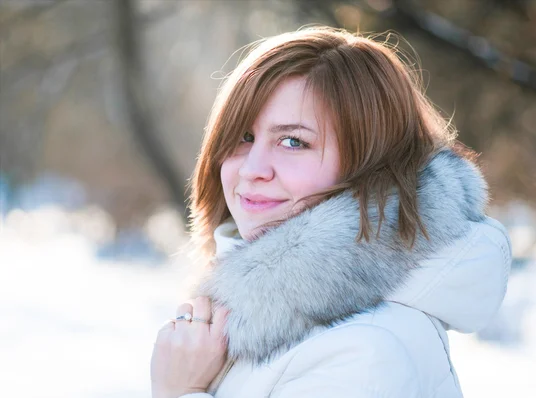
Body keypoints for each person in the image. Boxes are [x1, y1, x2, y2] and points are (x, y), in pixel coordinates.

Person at [150, 27, 511, 398]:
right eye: (244, 137)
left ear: (370, 165)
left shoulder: (364, 355)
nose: (251, 168)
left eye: (293, 141)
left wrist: (180, 392)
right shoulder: (266, 319)